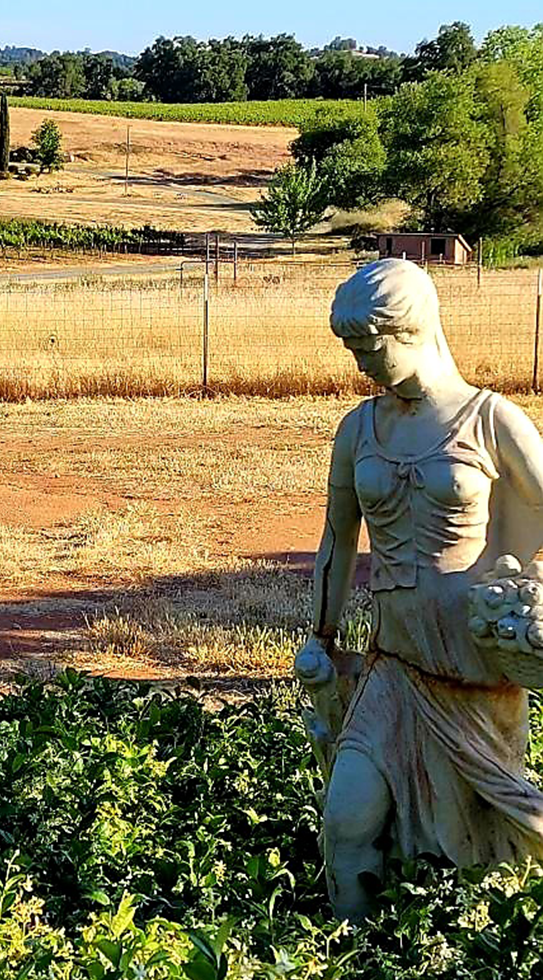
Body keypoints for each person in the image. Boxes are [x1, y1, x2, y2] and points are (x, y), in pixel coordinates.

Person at [296, 258, 543, 921]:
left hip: (473, 681)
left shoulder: (491, 420)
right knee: (346, 823)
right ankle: (349, 958)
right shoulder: (358, 429)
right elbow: (336, 542)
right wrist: (320, 636)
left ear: (413, 329)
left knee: (485, 857)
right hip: (393, 667)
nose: (359, 365)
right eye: (351, 350)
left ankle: (466, 952)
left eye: (369, 348)